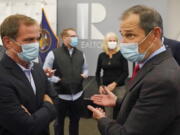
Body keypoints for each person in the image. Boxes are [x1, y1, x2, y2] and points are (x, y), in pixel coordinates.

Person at [88, 5, 180, 135]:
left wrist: (102, 119)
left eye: (130, 35)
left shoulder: (161, 80)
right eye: (123, 35)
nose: (123, 42)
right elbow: (147, 108)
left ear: (155, 34)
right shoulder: (150, 63)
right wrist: (118, 102)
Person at [0, 14, 57, 135]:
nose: (36, 44)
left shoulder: (37, 68)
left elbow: (55, 99)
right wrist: (48, 106)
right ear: (8, 42)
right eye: (29, 40)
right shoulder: (2, 76)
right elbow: (25, 127)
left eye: (38, 38)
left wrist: (34, 118)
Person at [43, 28, 88, 135]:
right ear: (64, 38)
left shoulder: (81, 54)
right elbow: (45, 73)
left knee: (75, 122)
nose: (75, 38)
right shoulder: (53, 54)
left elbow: (85, 69)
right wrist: (57, 80)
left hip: (78, 95)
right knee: (59, 123)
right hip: (60, 97)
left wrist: (84, 75)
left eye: (76, 36)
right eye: (72, 36)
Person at [95, 32, 128, 118]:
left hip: (119, 88)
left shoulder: (122, 54)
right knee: (108, 113)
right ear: (106, 42)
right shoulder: (101, 56)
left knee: (121, 112)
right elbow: (97, 73)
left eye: (114, 40)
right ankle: (109, 129)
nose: (112, 42)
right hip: (106, 88)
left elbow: (126, 73)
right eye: (110, 40)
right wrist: (100, 86)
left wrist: (115, 83)